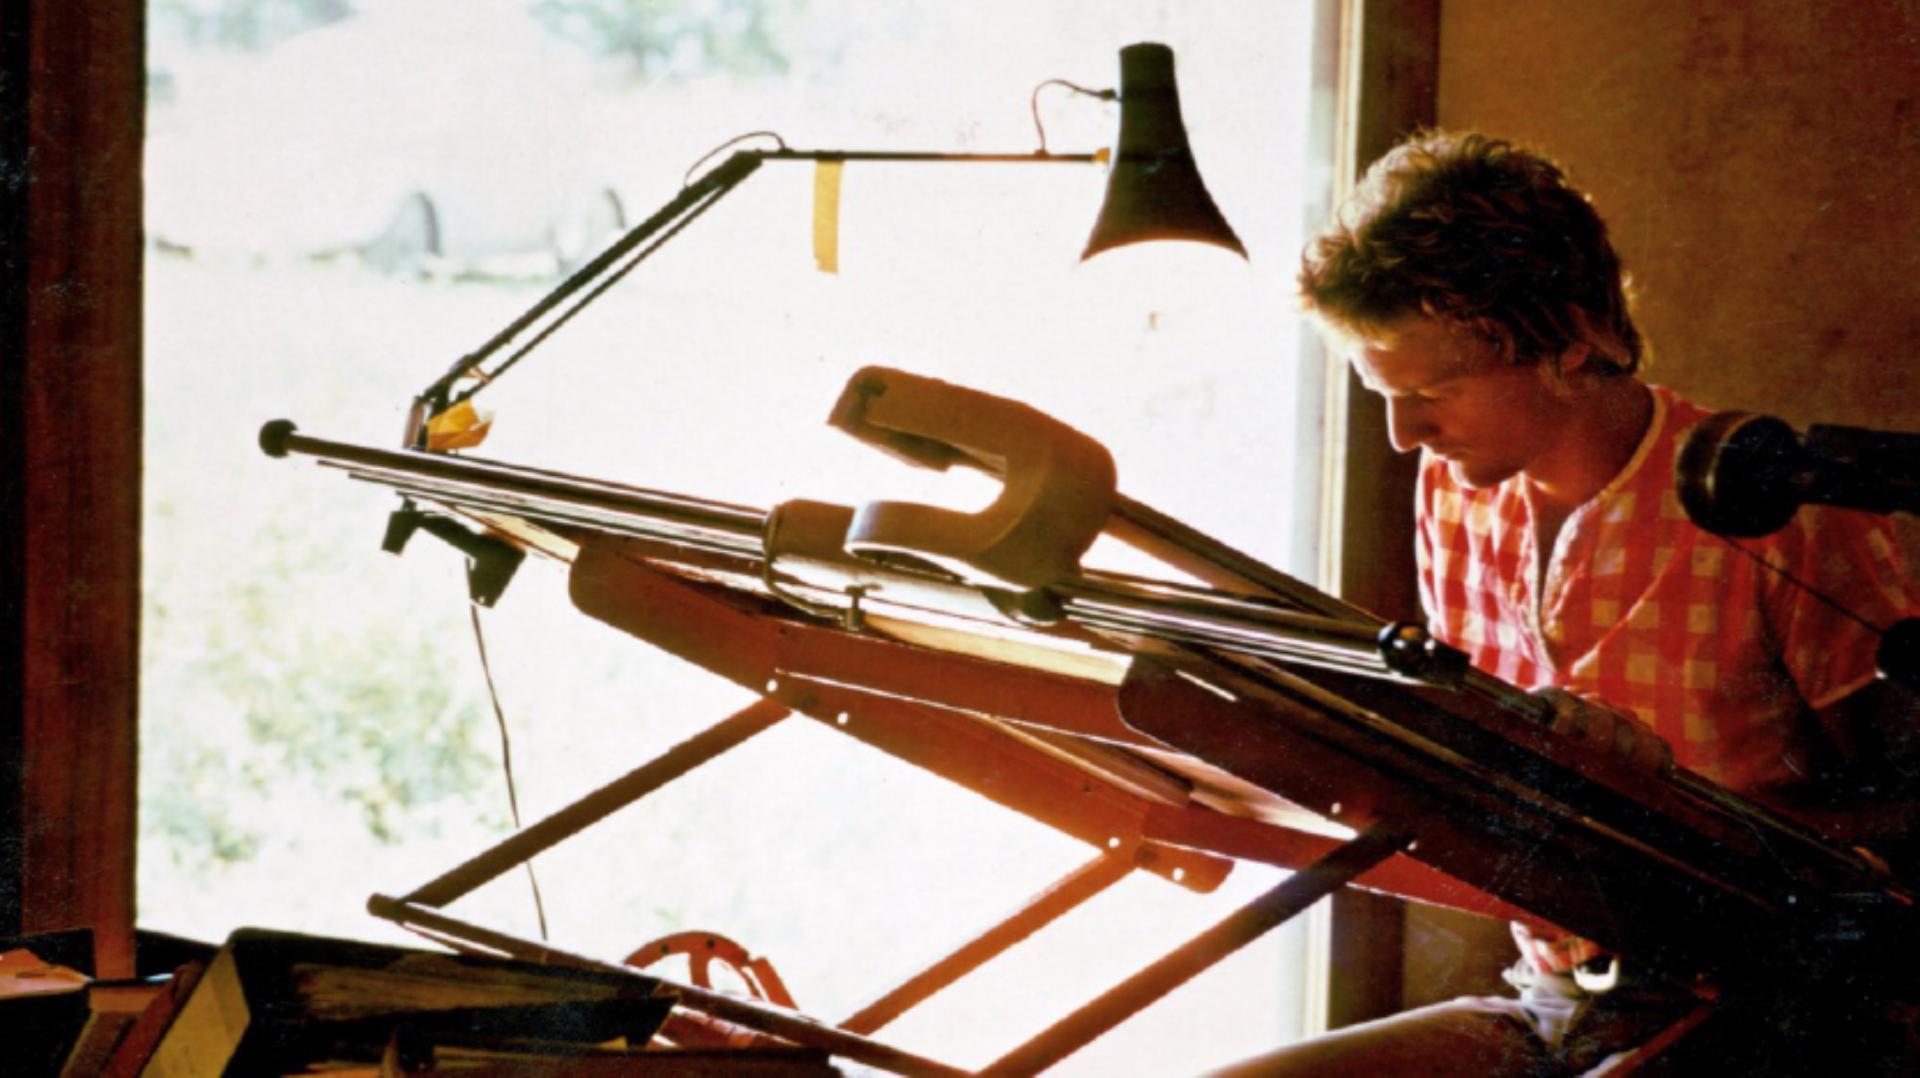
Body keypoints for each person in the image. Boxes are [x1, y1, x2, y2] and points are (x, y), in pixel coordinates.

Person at [1210, 130, 1920, 1075]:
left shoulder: (1777, 508)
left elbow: (1911, 812)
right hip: (1556, 1000)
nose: (1402, 435)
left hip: (1767, 1011)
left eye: (1436, 391)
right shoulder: (1457, 490)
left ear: (1573, 338)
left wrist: (1686, 831)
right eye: (1379, 390)